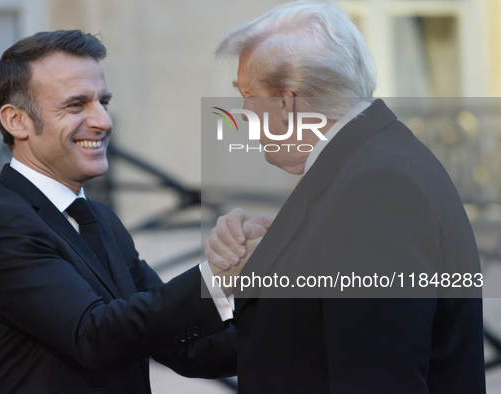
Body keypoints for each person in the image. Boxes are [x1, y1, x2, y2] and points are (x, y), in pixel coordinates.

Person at [204, 1, 485, 392]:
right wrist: (234, 271)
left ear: (286, 103)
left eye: (247, 95)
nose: (242, 115)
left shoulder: (375, 187)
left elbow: (378, 380)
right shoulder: (366, 167)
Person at [0, 30, 243, 393]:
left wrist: (299, 304)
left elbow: (190, 349)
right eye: (76, 105)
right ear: (16, 121)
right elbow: (96, 336)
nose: (103, 121)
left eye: (103, 101)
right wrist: (219, 276)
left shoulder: (99, 219)